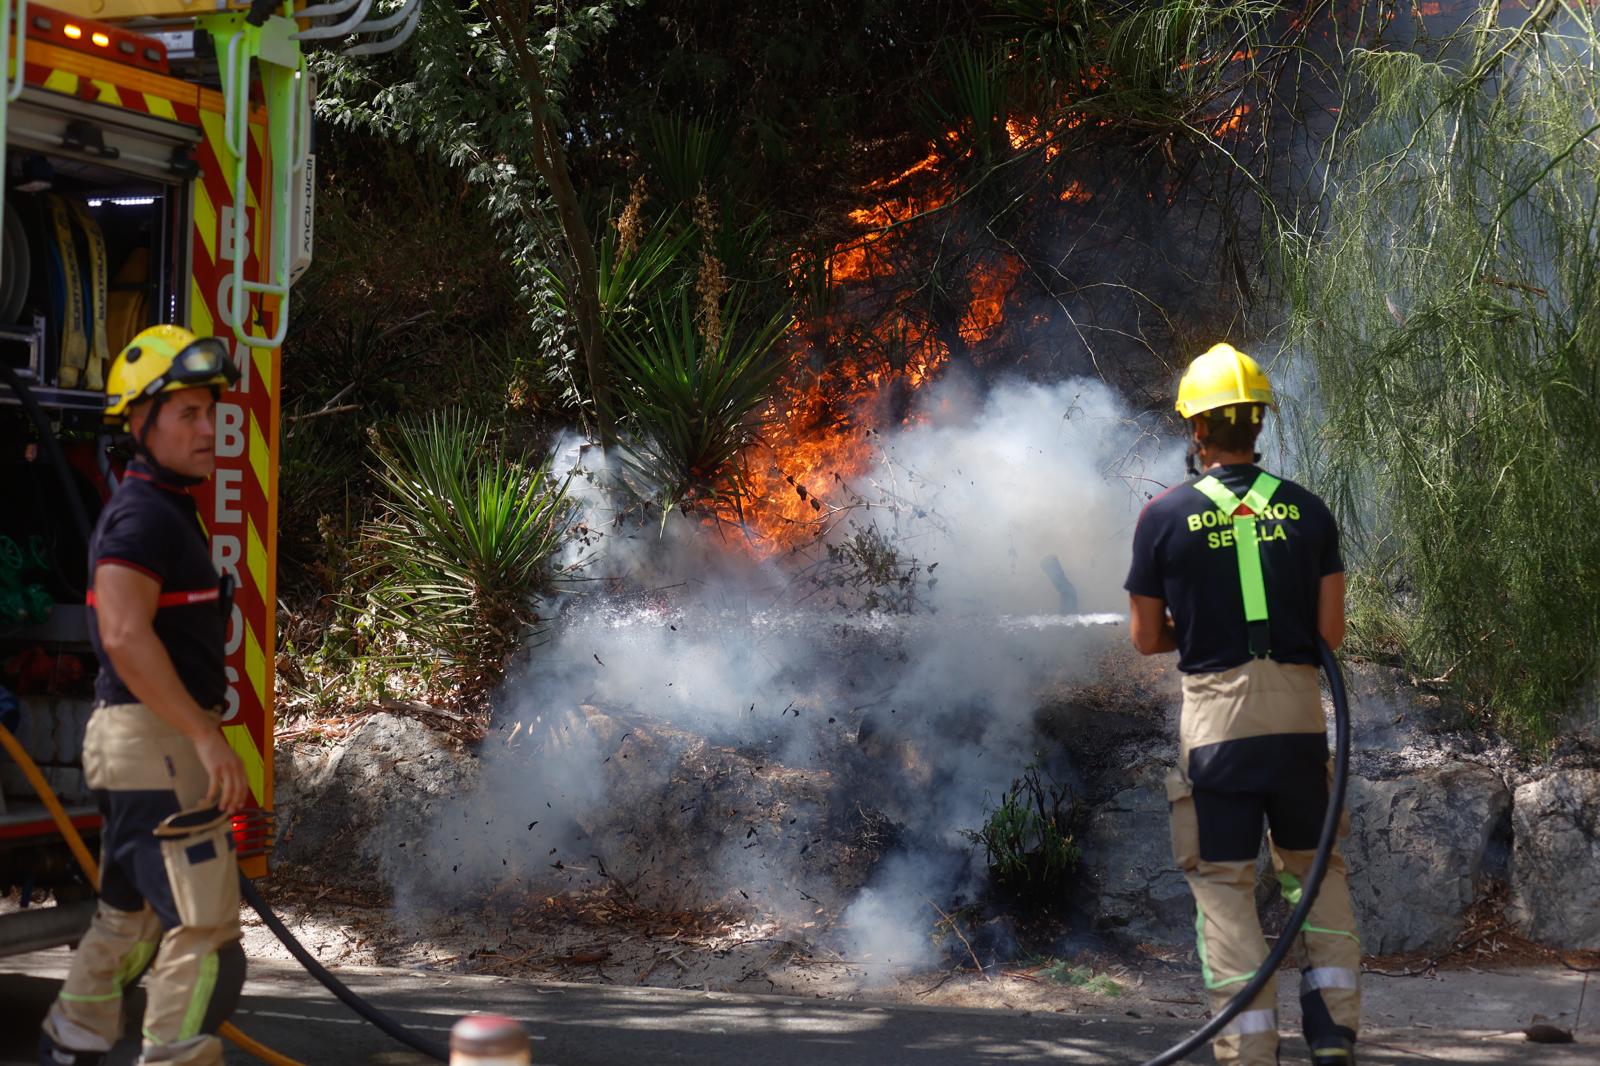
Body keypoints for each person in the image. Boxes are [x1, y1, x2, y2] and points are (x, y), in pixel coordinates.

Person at [1124, 343, 1360, 1065]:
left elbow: (1144, 639)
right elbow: (1329, 633)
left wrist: (1195, 627)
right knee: (1313, 871)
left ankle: (1250, 1051)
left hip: (1217, 726)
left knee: (1225, 887)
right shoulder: (1309, 510)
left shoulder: (1162, 517)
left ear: (1196, 431)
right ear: (1259, 423)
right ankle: (1334, 1039)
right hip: (1298, 724)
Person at [41, 325, 248, 1066]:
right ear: (139, 424)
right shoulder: (139, 517)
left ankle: (73, 1040)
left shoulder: (166, 509)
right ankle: (170, 1056)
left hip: (146, 746)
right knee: (206, 934)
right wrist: (202, 734)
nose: (207, 428)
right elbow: (127, 637)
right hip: (155, 745)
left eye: (209, 412)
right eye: (186, 414)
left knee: (129, 920)